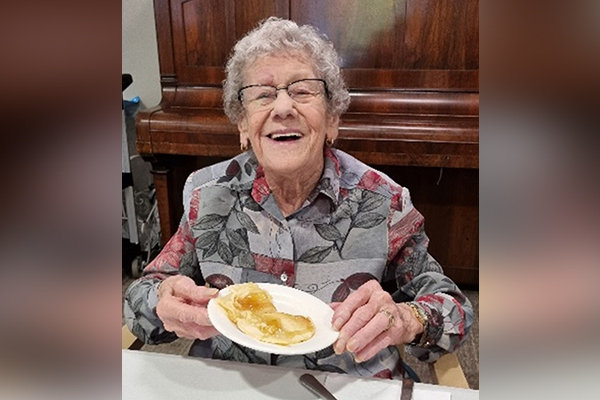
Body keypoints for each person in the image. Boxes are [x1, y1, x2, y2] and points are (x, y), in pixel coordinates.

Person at [124, 17, 472, 379]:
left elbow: (454, 309)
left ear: (332, 119)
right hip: (236, 385)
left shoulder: (383, 200)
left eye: (303, 91)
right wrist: (161, 301)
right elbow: (140, 299)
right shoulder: (207, 193)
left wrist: (408, 318)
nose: (283, 108)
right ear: (243, 124)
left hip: (348, 386)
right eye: (263, 94)